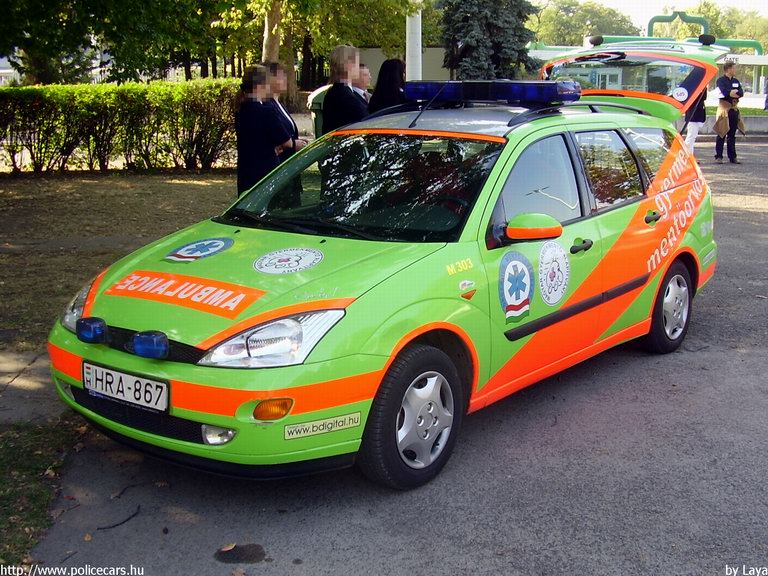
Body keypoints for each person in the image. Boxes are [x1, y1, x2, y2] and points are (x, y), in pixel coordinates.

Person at [235, 65, 295, 195]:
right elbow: (288, 142)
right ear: (260, 86)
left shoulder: (241, 111)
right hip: (266, 173)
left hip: (246, 174)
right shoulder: (266, 112)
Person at [265, 62, 307, 164]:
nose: (284, 79)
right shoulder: (268, 105)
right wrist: (293, 145)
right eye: (280, 76)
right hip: (279, 163)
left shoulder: (279, 104)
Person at [321, 45, 368, 135]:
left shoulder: (336, 92)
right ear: (349, 65)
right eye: (357, 64)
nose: (358, 68)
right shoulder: (345, 96)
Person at [714, 61, 745, 164]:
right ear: (728, 69)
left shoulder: (736, 81)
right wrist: (730, 93)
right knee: (721, 132)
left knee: (732, 134)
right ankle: (719, 156)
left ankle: (732, 157)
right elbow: (724, 92)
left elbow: (741, 93)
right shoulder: (721, 80)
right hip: (724, 109)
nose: (735, 70)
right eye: (734, 68)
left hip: (733, 109)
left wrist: (733, 93)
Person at [684, 88, 706, 159]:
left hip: (697, 114)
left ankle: (690, 155)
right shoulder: (693, 87)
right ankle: (686, 155)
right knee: (691, 137)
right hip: (693, 114)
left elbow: (704, 97)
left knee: (692, 137)